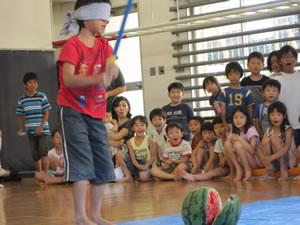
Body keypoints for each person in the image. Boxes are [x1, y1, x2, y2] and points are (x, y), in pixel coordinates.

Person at [57, 0, 119, 224]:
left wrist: (113, 69)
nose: (106, 20)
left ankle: (95, 215)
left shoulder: (104, 47)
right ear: (86, 16)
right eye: (102, 15)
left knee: (103, 162)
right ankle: (81, 217)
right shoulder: (72, 46)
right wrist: (97, 78)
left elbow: (113, 68)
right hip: (73, 110)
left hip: (96, 113)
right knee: (82, 162)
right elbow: (68, 78)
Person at [16, 72, 51, 173]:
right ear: (25, 85)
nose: (33, 84)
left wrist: (40, 127)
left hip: (43, 130)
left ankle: (46, 174)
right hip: (30, 131)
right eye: (30, 82)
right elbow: (19, 114)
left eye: (35, 82)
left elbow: (46, 113)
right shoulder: (22, 99)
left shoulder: (42, 96)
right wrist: (20, 128)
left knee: (43, 152)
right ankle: (40, 174)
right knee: (35, 154)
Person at [178, 117, 229, 181]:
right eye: (204, 133)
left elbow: (214, 158)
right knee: (200, 150)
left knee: (211, 149)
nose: (207, 135)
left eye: (209, 132)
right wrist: (195, 166)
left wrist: (209, 165)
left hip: (219, 164)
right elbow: (193, 153)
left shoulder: (216, 141)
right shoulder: (203, 141)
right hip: (212, 164)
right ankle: (196, 172)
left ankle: (203, 174)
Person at [258, 101, 297, 182]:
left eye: (278, 114)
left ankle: (284, 170)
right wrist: (264, 160)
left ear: (284, 116)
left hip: (287, 162)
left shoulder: (287, 129)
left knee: (275, 140)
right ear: (269, 116)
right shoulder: (269, 131)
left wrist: (270, 158)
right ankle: (268, 168)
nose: (275, 117)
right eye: (272, 114)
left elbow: (286, 148)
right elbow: (260, 148)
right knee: (265, 140)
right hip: (273, 162)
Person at [273, 45, 300, 156]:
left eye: (291, 56)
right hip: (285, 127)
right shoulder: (275, 79)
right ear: (280, 61)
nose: (288, 59)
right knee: (291, 160)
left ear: (295, 59)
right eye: (285, 57)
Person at [224, 106, 262, 181]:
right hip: (241, 159)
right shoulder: (234, 131)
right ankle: (236, 169)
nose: (238, 120)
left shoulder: (251, 129)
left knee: (237, 144)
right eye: (235, 117)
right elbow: (229, 149)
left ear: (246, 118)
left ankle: (248, 169)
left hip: (254, 160)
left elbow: (252, 151)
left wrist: (240, 139)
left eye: (241, 117)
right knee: (227, 143)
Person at [217, 62, 254, 132]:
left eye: (236, 74)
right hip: (229, 123)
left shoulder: (246, 91)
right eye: (231, 74)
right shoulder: (224, 92)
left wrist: (250, 122)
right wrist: (224, 123)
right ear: (227, 76)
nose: (233, 76)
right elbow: (223, 109)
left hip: (244, 123)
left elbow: (250, 108)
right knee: (231, 141)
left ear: (240, 75)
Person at [121, 116, 156, 182]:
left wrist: (146, 165)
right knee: (119, 153)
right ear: (132, 128)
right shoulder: (129, 142)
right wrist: (138, 166)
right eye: (136, 125)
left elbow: (153, 157)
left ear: (146, 128)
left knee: (143, 177)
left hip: (146, 164)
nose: (140, 127)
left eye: (142, 125)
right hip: (135, 164)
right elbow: (133, 158)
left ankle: (152, 178)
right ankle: (129, 175)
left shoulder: (148, 139)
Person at [112, 96, 134, 169]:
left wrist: (103, 136)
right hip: (112, 153)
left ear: (129, 108)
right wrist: (111, 142)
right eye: (118, 106)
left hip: (126, 155)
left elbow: (118, 136)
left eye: (124, 105)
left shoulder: (131, 123)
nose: (121, 108)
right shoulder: (112, 123)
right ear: (114, 109)